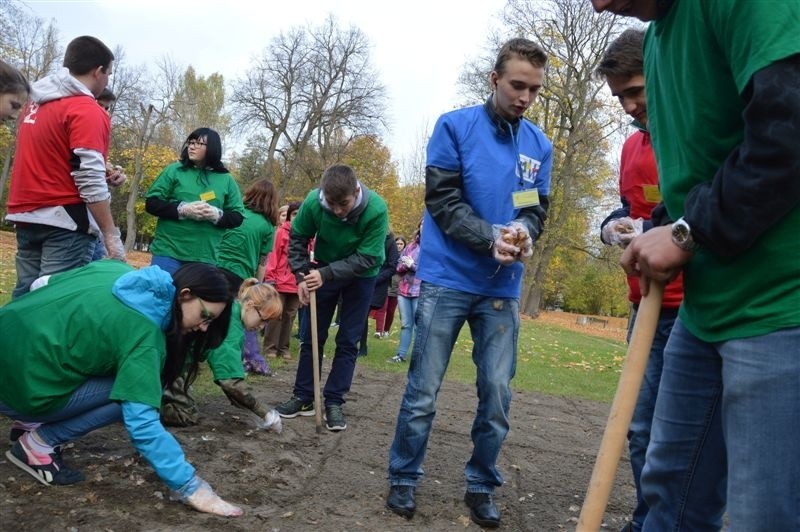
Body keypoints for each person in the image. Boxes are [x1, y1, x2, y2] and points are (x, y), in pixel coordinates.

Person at [591, 1, 800, 530]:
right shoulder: (659, 36)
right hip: (706, 310)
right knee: (670, 491)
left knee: (762, 515)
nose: (596, 4)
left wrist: (688, 232)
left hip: (782, 307)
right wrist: (659, 226)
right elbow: (701, 170)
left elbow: (787, 135)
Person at [385, 38, 551, 529]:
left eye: (534, 90)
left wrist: (525, 232)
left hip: (501, 288)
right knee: (424, 390)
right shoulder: (454, 126)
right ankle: (404, 476)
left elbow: (535, 206)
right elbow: (443, 199)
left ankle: (481, 484)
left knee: (497, 393)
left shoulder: (539, 144)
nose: (524, 96)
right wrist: (488, 238)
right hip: (446, 280)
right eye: (517, 85)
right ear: (494, 79)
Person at [0, 260, 242, 516]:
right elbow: (142, 423)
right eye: (205, 316)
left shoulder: (117, 270)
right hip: (17, 391)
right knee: (138, 390)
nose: (204, 327)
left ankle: (27, 418)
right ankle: (38, 444)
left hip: (12, 350)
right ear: (185, 295)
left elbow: (43, 283)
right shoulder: (145, 335)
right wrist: (191, 486)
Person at [595, 28, 684, 532]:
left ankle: (669, 519)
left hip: (687, 305)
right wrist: (614, 228)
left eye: (635, 92)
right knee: (638, 427)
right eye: (619, 97)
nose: (628, 106)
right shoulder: (632, 146)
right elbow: (632, 209)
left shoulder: (691, 132)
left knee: (675, 432)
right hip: (642, 302)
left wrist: (654, 230)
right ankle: (645, 518)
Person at [6, 36, 125, 299]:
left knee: (25, 299)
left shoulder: (34, 105)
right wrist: (110, 233)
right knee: (55, 304)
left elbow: (54, 159)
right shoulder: (88, 110)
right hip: (66, 223)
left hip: (26, 215)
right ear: (98, 71)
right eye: (109, 74)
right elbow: (88, 176)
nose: (107, 81)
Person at [275, 163, 389, 432]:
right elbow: (299, 239)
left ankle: (334, 401)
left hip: (362, 275)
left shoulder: (376, 209)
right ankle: (304, 397)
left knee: (349, 339)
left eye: (344, 204)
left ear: (356, 191)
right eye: (332, 203)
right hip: (324, 269)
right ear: (323, 194)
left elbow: (368, 257)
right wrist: (302, 276)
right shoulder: (314, 204)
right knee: (312, 334)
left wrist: (324, 273)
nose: (337, 210)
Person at [161, 278, 284, 429]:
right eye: (263, 320)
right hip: (170, 357)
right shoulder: (231, 328)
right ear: (250, 305)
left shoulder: (232, 309)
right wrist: (265, 412)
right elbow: (229, 380)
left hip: (176, 354)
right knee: (185, 415)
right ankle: (150, 405)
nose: (262, 327)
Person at [145, 127, 245, 275]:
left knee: (194, 298)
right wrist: (182, 210)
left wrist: (216, 215)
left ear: (212, 148)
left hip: (205, 257)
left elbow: (237, 217)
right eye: (190, 142)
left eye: (198, 143)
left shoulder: (226, 179)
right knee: (162, 295)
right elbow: (151, 203)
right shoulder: (174, 170)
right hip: (168, 251)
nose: (191, 146)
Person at [214, 178, 279, 375]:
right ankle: (247, 360)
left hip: (215, 267)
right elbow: (262, 261)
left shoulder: (234, 214)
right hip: (240, 275)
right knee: (242, 318)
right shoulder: (267, 226)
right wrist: (258, 286)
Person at [91, 86, 127, 261]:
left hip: (91, 226)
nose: (105, 113)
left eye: (107, 109)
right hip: (77, 224)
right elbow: (85, 177)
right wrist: (110, 234)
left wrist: (107, 177)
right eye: (101, 106)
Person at [263, 201, 302, 360]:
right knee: (276, 314)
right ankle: (270, 347)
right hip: (280, 280)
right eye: (294, 214)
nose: (297, 217)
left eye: (300, 214)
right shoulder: (281, 232)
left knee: (290, 315)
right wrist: (271, 277)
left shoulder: (308, 235)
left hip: (297, 282)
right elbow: (273, 256)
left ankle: (283, 347)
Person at [358, 230, 399, 357]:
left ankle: (362, 347)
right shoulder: (367, 235)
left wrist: (376, 279)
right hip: (361, 279)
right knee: (359, 313)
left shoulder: (390, 241)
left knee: (364, 313)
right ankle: (356, 344)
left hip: (377, 284)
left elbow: (393, 266)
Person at [388, 223, 422, 364]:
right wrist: (405, 264)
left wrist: (412, 265)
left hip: (419, 290)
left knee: (418, 325)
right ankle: (401, 355)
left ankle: (418, 358)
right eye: (422, 225)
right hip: (404, 290)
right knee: (406, 324)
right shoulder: (410, 246)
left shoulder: (432, 247)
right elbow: (398, 265)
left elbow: (429, 270)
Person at [381, 235, 406, 337]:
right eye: (397, 244)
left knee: (391, 311)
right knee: (383, 308)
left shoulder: (406, 256)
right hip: (388, 284)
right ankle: (379, 330)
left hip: (398, 287)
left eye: (401, 244)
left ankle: (386, 330)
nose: (399, 246)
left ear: (404, 245)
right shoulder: (391, 254)